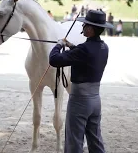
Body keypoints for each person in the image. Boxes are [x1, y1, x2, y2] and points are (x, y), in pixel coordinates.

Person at [49, 10, 114, 153]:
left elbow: (54, 60)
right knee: (95, 140)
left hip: (79, 101)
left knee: (74, 141)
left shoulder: (84, 49)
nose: (83, 27)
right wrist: (72, 46)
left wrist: (59, 45)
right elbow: (85, 57)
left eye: (84, 25)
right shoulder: (104, 47)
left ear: (90, 29)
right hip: (95, 100)